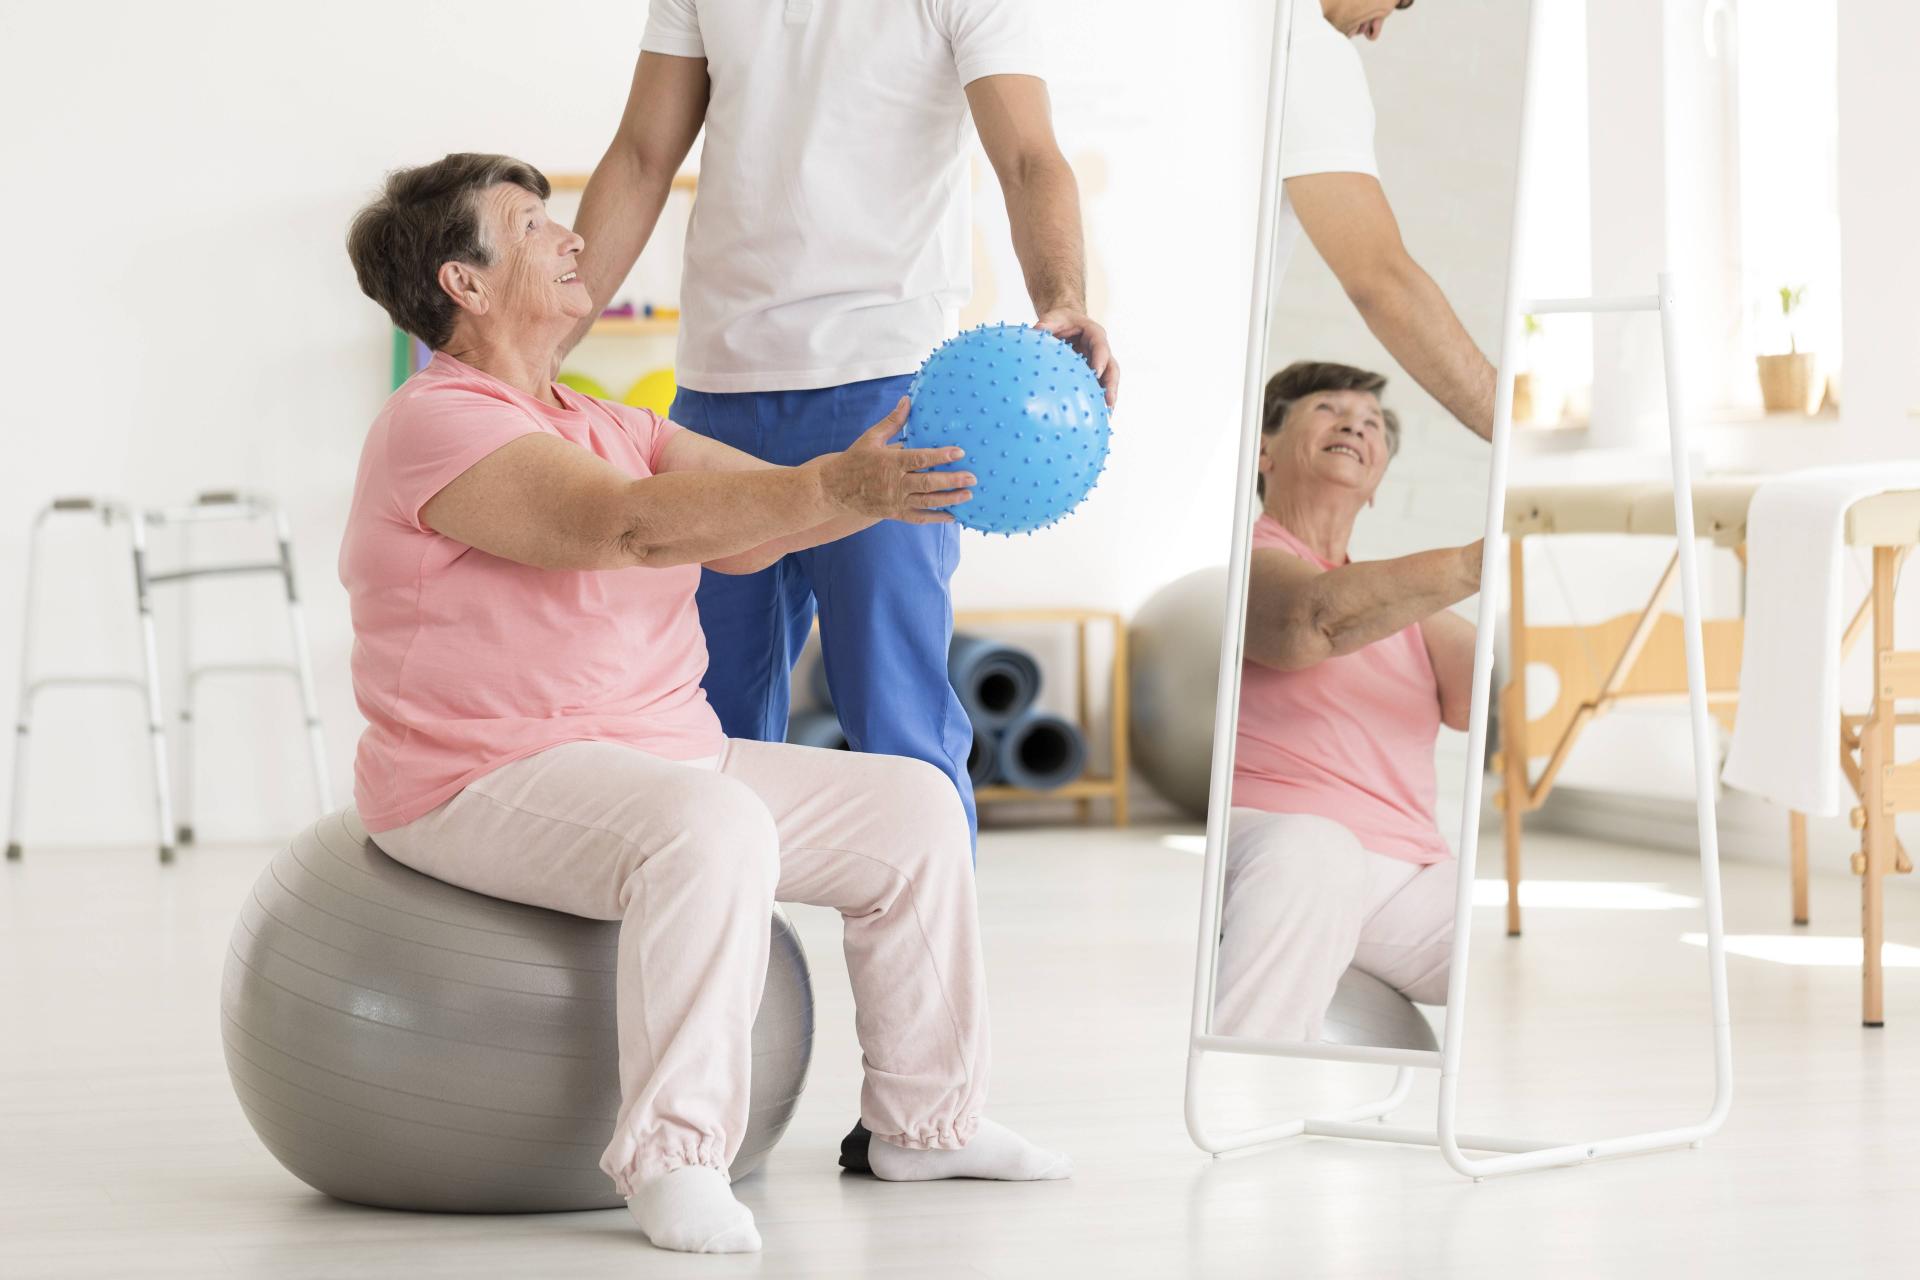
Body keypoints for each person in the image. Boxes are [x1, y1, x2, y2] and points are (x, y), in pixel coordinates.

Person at [340, 154, 1069, 1257]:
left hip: (660, 755)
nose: (573, 238)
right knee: (712, 824)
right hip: (480, 777)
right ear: (466, 284)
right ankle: (674, 1156)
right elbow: (625, 526)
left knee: (915, 808)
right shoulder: (437, 422)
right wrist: (836, 486)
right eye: (534, 227)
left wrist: (886, 472)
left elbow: (752, 522)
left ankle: (926, 1119)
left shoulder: (611, 421)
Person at [562, 0, 1118, 858]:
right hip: (717, 390)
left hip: (888, 394)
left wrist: (1063, 299)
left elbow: (1028, 157)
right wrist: (544, 342)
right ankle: (732, 983)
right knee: (700, 732)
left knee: (900, 732)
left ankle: (931, 991)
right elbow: (640, 158)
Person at [1214, 361, 1478, 1041]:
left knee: (1527, 930)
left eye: (1371, 425)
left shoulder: (1410, 608)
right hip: (1273, 844)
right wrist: (1477, 563)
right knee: (1317, 848)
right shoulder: (1248, 561)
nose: (1355, 425)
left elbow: (1491, 697)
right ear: (1265, 452)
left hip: (1406, 879)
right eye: (1329, 410)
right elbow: (1310, 622)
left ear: (1379, 481)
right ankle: (1240, 1084)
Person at [1278, 0, 1499, 439]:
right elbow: (1380, 281)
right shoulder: (1308, 47)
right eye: (1399, 1)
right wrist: (1511, 430)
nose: (1377, 30)